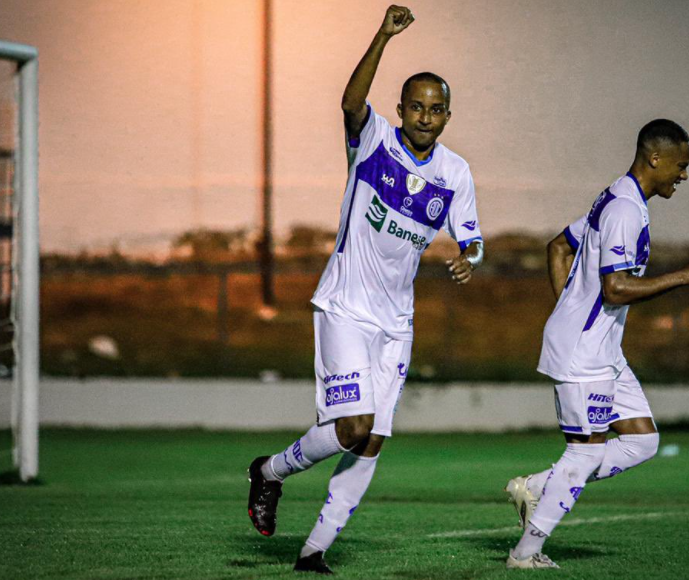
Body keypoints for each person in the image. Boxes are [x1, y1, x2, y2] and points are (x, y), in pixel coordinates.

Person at [246, 5, 485, 574]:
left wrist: (468, 259)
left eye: (436, 109)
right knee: (352, 429)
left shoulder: (455, 173)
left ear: (448, 116)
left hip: (395, 323)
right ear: (401, 109)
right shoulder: (373, 140)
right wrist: (382, 35)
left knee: (372, 440)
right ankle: (269, 472)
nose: (425, 116)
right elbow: (352, 103)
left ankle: (313, 553)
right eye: (416, 107)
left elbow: (473, 240)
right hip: (345, 309)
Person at [504, 119, 689, 569]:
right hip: (585, 355)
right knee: (583, 453)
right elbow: (616, 289)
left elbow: (557, 247)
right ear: (654, 158)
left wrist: (569, 307)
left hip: (602, 351)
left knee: (642, 442)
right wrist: (685, 276)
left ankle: (541, 486)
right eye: (680, 165)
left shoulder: (620, 198)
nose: (683, 175)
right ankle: (526, 552)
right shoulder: (623, 208)